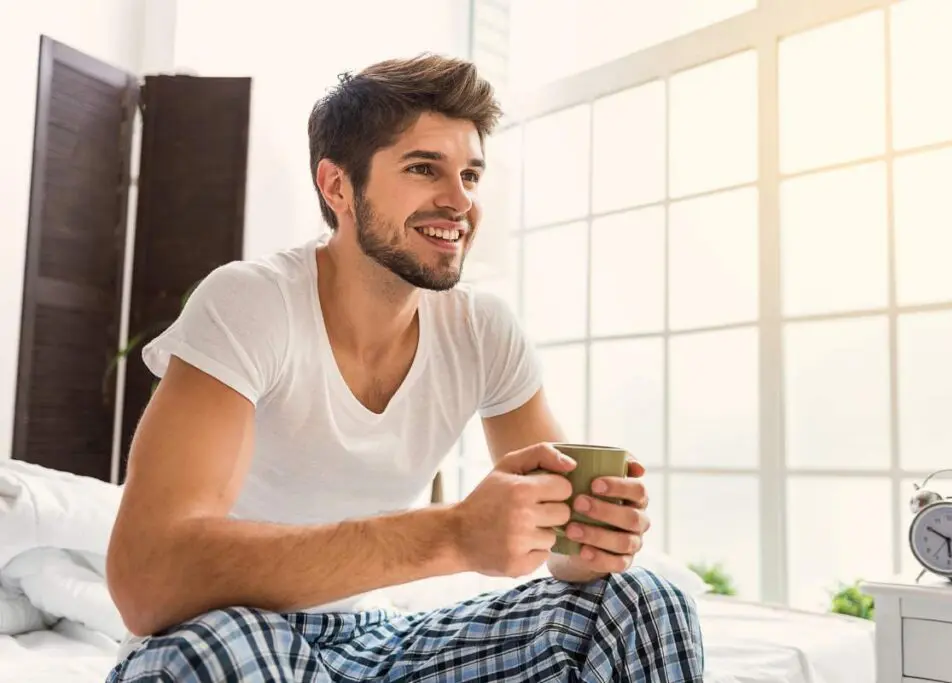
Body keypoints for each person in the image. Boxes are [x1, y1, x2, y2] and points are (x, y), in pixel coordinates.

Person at [104, 53, 704, 682]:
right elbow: (147, 580)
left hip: (371, 640)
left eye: (471, 176)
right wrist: (451, 535)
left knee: (644, 602)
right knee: (209, 651)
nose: (459, 202)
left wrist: (592, 537)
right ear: (338, 187)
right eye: (424, 169)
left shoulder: (482, 329)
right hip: (235, 634)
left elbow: (562, 539)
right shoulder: (251, 304)